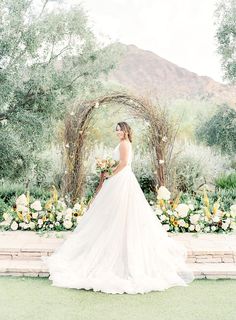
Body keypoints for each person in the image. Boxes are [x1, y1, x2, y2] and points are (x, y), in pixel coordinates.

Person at [41, 121, 195, 294]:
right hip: (122, 179)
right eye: (116, 130)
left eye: (120, 129)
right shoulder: (125, 143)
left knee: (116, 213)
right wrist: (107, 169)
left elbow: (122, 163)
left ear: (126, 131)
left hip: (121, 179)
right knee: (113, 213)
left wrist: (109, 174)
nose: (118, 132)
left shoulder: (124, 144)